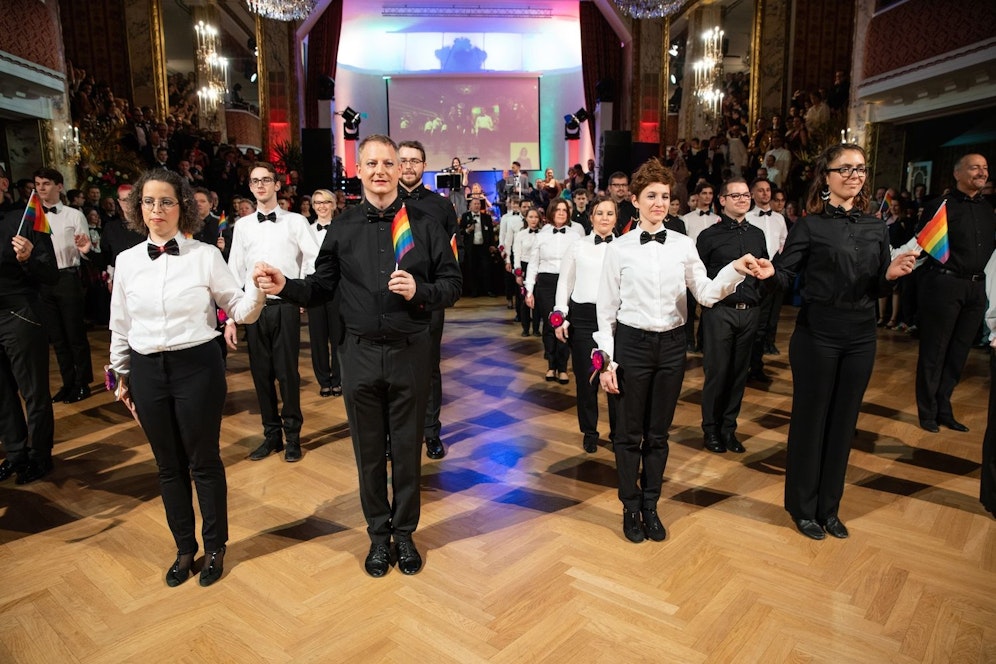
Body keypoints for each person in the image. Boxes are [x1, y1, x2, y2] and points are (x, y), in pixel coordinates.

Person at [255, 135, 461, 577]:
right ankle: (377, 536)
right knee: (369, 453)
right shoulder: (343, 227)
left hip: (410, 353)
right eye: (373, 163)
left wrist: (420, 291)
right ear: (360, 169)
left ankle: (404, 536)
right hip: (360, 356)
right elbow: (320, 288)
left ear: (401, 168)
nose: (382, 170)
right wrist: (285, 286)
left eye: (389, 162)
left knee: (406, 452)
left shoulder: (425, 224)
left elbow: (453, 284)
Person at [594, 158, 769, 543]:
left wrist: (736, 269)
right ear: (636, 201)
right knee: (627, 435)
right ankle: (629, 506)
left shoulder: (684, 245)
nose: (659, 202)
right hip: (631, 345)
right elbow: (605, 312)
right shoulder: (619, 249)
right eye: (651, 196)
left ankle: (651, 506)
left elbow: (705, 294)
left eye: (665, 196)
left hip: (673, 346)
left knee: (658, 434)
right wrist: (607, 360)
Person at [109, 169, 266, 586]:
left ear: (183, 208)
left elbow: (239, 309)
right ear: (138, 208)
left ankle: (215, 546)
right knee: (167, 466)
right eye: (149, 202)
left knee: (204, 461)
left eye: (166, 202)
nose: (156, 210)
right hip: (145, 370)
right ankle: (184, 548)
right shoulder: (126, 261)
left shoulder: (205, 256)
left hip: (197, 366)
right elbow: (120, 325)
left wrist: (260, 290)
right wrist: (120, 377)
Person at [768, 143, 917, 540]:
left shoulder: (874, 227)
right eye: (846, 168)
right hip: (817, 334)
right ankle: (802, 507)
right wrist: (768, 272)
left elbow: (878, 288)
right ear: (827, 177)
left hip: (861, 335)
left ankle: (828, 508)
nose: (855, 175)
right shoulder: (810, 225)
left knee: (844, 423)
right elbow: (786, 276)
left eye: (861, 169)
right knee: (810, 421)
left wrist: (891, 276)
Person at [227, 162, 319, 463]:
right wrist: (230, 316)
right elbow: (234, 271)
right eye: (255, 181)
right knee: (260, 375)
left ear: (277, 185)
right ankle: (271, 436)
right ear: (251, 187)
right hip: (253, 309)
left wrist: (301, 289)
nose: (261, 186)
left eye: (266, 180)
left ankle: (293, 437)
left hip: (284, 306)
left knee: (287, 374)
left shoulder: (295, 221)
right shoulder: (241, 226)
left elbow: (313, 256)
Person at [915, 154, 995, 433]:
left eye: (985, 168)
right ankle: (927, 411)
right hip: (944, 285)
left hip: (976, 288)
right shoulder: (940, 206)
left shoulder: (988, 210)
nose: (982, 172)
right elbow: (921, 244)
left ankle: (944, 406)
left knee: (959, 352)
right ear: (958, 173)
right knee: (935, 351)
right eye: (975, 167)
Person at [696, 178, 769, 454]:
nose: (742, 199)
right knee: (717, 373)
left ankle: (729, 430)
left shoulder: (757, 234)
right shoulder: (708, 237)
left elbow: (763, 270)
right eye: (735, 195)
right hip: (720, 313)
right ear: (722, 200)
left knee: (739, 374)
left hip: (749, 312)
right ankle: (710, 429)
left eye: (746, 195)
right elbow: (697, 278)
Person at [397, 139, 458, 460]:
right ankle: (399, 436)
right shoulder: (384, 203)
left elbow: (449, 258)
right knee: (393, 371)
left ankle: (432, 432)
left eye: (415, 161)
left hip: (429, 298)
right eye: (403, 160)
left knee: (429, 367)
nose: (408, 166)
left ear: (424, 165)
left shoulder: (441, 206)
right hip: (391, 299)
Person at [0, 186, 58, 485]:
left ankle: (39, 455)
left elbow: (51, 273)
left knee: (33, 391)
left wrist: (28, 259)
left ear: (3, 185)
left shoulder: (23, 219)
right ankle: (15, 454)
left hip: (19, 313)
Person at [554, 195, 618, 453]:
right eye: (599, 213)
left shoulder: (624, 247)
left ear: (616, 218)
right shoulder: (577, 246)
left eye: (610, 213)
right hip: (583, 318)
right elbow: (564, 283)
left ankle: (618, 433)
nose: (604, 218)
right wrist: (560, 314)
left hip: (615, 319)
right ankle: (590, 431)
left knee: (617, 378)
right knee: (586, 379)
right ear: (591, 217)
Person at [33, 168, 95, 404]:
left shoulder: (74, 215)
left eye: (46, 183)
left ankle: (83, 383)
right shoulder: (34, 216)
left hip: (68, 277)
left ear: (59, 186)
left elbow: (86, 250)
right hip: (44, 281)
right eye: (38, 183)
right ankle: (68, 382)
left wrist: (83, 247)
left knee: (75, 334)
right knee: (57, 337)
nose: (41, 188)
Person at [525, 199, 580, 384]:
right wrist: (529, 290)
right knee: (550, 325)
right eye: (558, 210)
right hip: (546, 283)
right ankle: (551, 365)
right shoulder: (541, 235)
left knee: (564, 324)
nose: (562, 213)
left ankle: (563, 367)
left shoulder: (575, 236)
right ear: (551, 212)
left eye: (565, 210)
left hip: (568, 282)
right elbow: (533, 264)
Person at [745, 178, 789, 382]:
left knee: (765, 323)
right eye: (760, 190)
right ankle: (743, 367)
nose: (765, 194)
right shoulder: (746, 217)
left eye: (768, 190)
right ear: (753, 194)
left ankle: (757, 366)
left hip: (771, 273)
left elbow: (783, 243)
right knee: (750, 322)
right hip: (751, 274)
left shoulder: (779, 219)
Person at [306, 190, 342, 399]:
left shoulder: (342, 229)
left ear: (334, 204)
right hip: (314, 288)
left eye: (326, 202)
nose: (321, 206)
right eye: (317, 202)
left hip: (337, 288)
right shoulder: (307, 230)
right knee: (317, 338)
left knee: (338, 337)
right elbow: (302, 262)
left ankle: (338, 379)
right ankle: (324, 381)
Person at [512, 207, 542, 337]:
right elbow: (516, 254)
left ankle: (536, 328)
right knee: (524, 299)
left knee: (537, 300)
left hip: (539, 268)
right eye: (531, 217)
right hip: (524, 266)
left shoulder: (543, 234)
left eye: (536, 217)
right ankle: (525, 328)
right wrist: (518, 273)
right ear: (526, 218)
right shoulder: (521, 234)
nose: (533, 220)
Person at [460, 197, 497, 297]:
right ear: (470, 206)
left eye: (478, 204)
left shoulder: (486, 217)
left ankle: (488, 290)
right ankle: (474, 291)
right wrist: (468, 230)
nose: (477, 206)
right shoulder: (465, 216)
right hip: (471, 248)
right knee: (472, 269)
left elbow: (490, 233)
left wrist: (492, 245)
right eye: (475, 204)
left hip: (484, 247)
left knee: (486, 269)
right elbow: (460, 231)